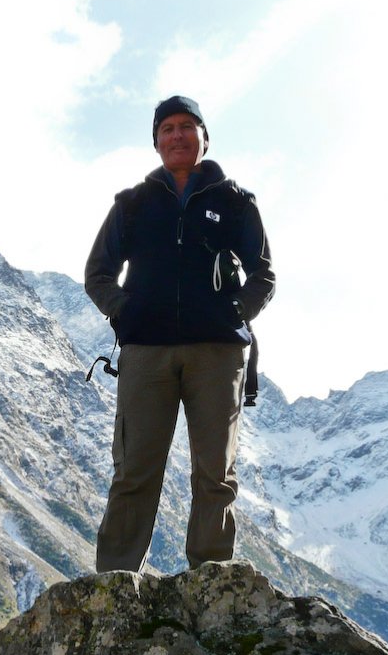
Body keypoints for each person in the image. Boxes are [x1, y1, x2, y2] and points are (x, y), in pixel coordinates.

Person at [84, 95, 276, 573]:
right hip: (146, 353)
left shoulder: (235, 203)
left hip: (218, 353)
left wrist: (235, 311)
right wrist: (125, 314)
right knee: (134, 471)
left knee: (215, 473)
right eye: (167, 129)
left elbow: (264, 274)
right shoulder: (131, 204)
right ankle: (116, 581)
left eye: (187, 126)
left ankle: (209, 579)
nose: (177, 136)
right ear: (156, 142)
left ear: (204, 138)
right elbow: (98, 274)